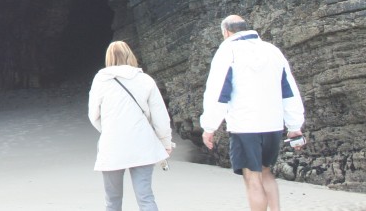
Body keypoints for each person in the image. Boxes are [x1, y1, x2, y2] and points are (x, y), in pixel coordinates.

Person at [200, 14, 305, 211]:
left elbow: (218, 92)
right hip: (273, 125)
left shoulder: (228, 51)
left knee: (252, 177)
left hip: (245, 126)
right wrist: (294, 126)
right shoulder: (273, 51)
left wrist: (209, 126)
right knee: (266, 173)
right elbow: (289, 90)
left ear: (226, 32)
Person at [88, 40, 174, 211]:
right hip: (142, 143)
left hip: (112, 145)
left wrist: (107, 130)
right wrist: (165, 142)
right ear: (130, 55)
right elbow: (161, 117)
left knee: (112, 200)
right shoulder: (145, 80)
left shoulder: (100, 80)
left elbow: (93, 115)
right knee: (146, 197)